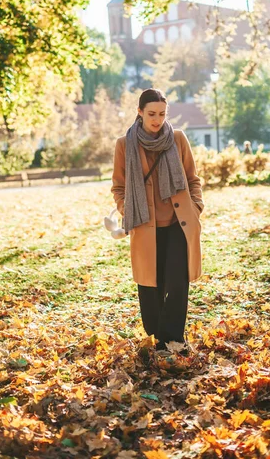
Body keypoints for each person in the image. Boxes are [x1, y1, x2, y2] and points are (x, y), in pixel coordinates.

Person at [111, 88, 204, 357]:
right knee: (151, 286)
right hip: (144, 225)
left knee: (177, 283)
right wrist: (128, 211)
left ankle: (172, 340)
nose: (157, 119)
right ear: (139, 112)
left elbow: (192, 179)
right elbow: (118, 187)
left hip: (178, 222)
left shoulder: (177, 139)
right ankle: (158, 334)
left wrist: (196, 207)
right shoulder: (125, 145)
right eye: (151, 114)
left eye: (162, 114)